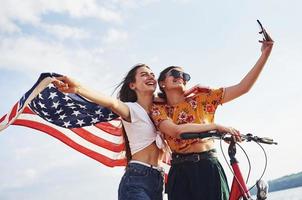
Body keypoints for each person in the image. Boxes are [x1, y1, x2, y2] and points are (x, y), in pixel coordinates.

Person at [150, 30, 274, 200]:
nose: (181, 77)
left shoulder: (203, 99)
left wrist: (265, 54)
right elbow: (176, 131)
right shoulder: (159, 109)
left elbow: (243, 87)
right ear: (162, 83)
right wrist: (216, 126)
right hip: (180, 170)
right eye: (175, 73)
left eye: (184, 75)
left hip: (208, 164)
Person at [53, 64, 164, 200]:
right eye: (144, 74)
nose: (151, 76)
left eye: (152, 74)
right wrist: (78, 88)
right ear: (132, 85)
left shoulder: (161, 113)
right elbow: (112, 103)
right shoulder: (131, 109)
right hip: (137, 179)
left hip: (157, 180)